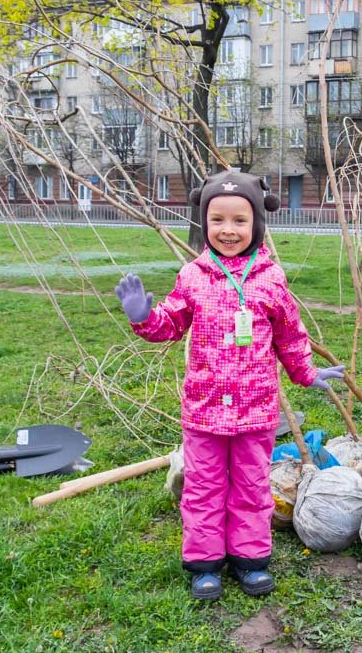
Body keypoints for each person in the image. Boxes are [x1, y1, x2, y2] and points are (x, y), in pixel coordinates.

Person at [115, 170, 343, 601]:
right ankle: (204, 564)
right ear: (205, 221)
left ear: (257, 222)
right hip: (204, 411)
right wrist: (144, 317)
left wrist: (307, 372)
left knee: (252, 486)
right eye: (217, 219)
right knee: (203, 488)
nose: (228, 230)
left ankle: (250, 559)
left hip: (256, 411)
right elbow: (171, 324)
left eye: (240, 220)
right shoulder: (193, 276)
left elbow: (289, 335)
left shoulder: (271, 278)